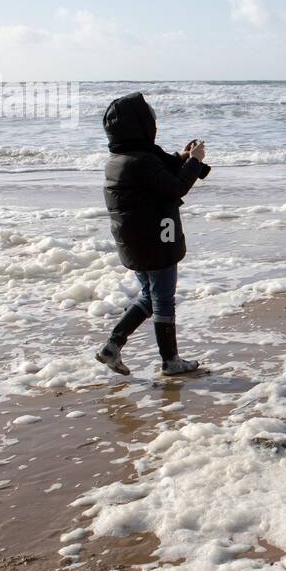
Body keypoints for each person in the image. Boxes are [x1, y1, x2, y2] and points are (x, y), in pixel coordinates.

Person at [95, 92, 210, 376]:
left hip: (135, 242)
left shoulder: (120, 159)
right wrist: (194, 161)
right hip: (157, 239)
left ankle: (112, 346)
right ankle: (170, 360)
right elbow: (175, 187)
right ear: (140, 125)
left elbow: (157, 174)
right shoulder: (142, 161)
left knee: (149, 295)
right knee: (162, 298)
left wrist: (182, 157)